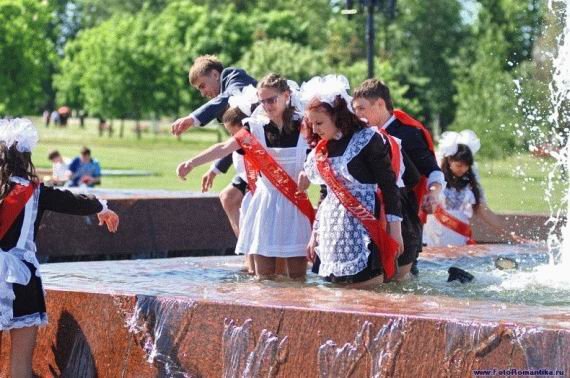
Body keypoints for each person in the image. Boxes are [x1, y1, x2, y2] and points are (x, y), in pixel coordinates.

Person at [0, 118, 119, 378]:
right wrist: (102, 208)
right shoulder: (33, 192)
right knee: (19, 367)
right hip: (19, 277)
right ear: (26, 157)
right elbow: (73, 200)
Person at [177, 74, 312, 280]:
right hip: (264, 207)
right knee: (263, 278)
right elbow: (224, 147)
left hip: (295, 206)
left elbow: (322, 154)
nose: (267, 106)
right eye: (262, 101)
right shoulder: (255, 127)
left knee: (297, 278)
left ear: (286, 95)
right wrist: (192, 163)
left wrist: (309, 172)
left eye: (271, 100)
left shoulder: (306, 126)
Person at [301, 75, 404, 288]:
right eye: (312, 124)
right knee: (334, 291)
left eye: (319, 123)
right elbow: (325, 192)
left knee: (368, 288)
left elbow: (389, 185)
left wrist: (396, 230)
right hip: (332, 227)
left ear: (337, 116)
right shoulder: (322, 149)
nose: (316, 129)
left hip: (364, 223)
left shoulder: (366, 139)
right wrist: (315, 235)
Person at [352, 79, 445, 276]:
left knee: (402, 279)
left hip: (404, 214)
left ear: (380, 104)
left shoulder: (408, 132)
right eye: (355, 109)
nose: (358, 115)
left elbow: (433, 170)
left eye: (362, 108)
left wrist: (434, 193)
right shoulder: (360, 133)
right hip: (372, 215)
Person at [170, 55, 257, 241]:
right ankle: (246, 250)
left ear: (216, 74)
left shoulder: (234, 77)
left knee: (245, 204)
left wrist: (192, 118)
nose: (203, 93)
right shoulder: (224, 98)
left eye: (203, 85)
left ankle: (255, 253)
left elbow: (228, 98)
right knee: (228, 197)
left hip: (271, 162)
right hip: (252, 162)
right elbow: (238, 140)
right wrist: (216, 169)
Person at [423, 130, 522, 246]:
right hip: (435, 233)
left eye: (466, 166)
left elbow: (483, 210)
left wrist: (508, 234)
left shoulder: (470, 183)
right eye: (459, 165)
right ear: (449, 160)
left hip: (459, 235)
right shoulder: (437, 180)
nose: (463, 169)